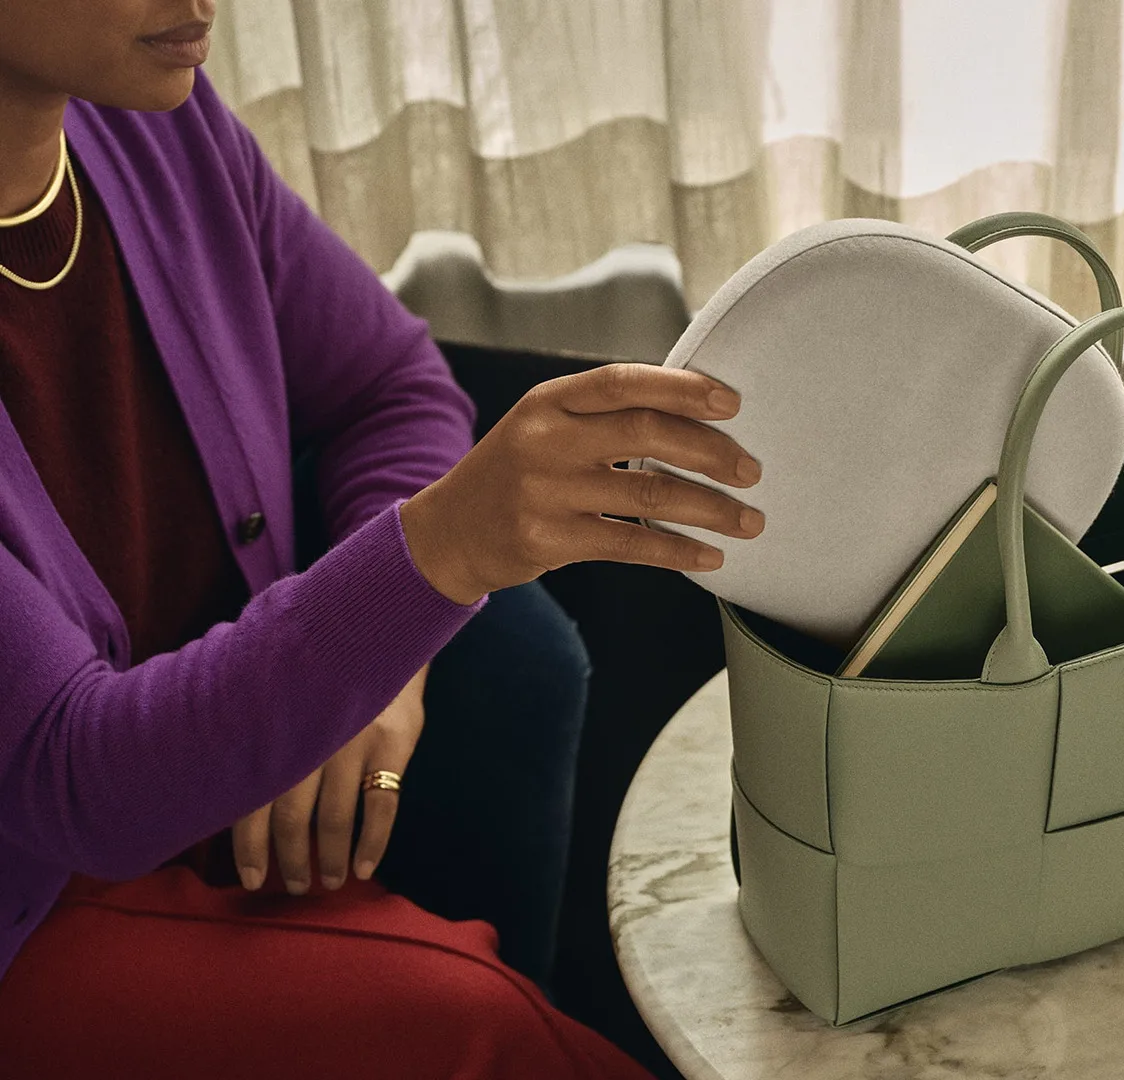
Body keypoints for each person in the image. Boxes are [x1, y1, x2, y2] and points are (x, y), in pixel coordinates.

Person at [0, 2, 765, 1076]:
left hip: (210, 782)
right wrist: (427, 562)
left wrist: (382, 654)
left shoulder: (155, 129)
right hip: (42, 907)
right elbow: (79, 782)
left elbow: (389, 383)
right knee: (483, 1024)